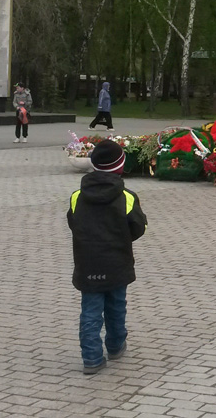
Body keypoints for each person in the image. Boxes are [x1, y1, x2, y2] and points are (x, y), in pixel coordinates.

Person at [66, 139, 146, 374]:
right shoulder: (127, 197)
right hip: (117, 262)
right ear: (120, 167)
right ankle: (115, 345)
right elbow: (137, 228)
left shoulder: (77, 196)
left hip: (88, 261)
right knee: (117, 305)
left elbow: (73, 223)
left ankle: (91, 358)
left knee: (90, 310)